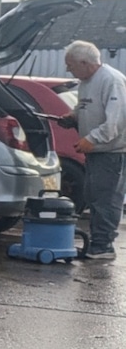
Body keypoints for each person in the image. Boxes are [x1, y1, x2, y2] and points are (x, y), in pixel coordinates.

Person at [62, 40, 126, 261]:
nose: (68, 69)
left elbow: (115, 122)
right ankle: (97, 243)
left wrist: (92, 138)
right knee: (93, 196)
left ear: (84, 62)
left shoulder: (112, 80)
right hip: (96, 152)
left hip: (111, 152)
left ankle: (103, 246)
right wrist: (73, 117)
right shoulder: (86, 81)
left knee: (106, 199)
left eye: (70, 65)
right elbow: (84, 106)